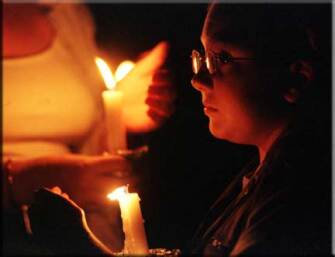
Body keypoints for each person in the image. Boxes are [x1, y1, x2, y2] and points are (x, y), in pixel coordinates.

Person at [23, 2, 331, 256]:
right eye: (203, 57)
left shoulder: (297, 191)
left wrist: (81, 248)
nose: (198, 80)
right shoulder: (262, 175)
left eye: (221, 58)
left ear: (297, 77)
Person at [3, 1, 175, 255]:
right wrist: (23, 181)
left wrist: (116, 121)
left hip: (85, 237)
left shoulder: (65, 12)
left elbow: (90, 146)